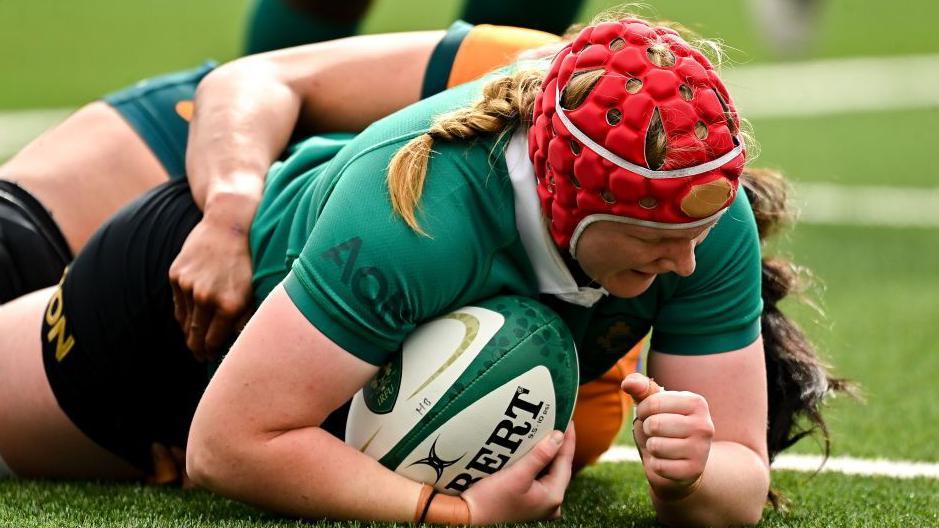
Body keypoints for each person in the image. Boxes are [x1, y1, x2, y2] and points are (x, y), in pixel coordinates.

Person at [0, 12, 846, 526]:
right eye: (655, 239)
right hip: (174, 325)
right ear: (571, 208)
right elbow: (231, 443)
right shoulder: (415, 218)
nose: (688, 263)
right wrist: (451, 513)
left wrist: (693, 479)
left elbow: (739, 478)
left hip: (303, 363)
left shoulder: (702, 217)